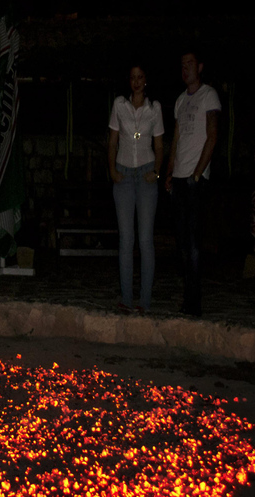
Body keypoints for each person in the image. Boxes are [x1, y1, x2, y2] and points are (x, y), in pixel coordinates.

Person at [165, 49, 221, 317]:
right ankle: (187, 297)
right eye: (182, 64)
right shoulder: (179, 101)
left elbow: (212, 135)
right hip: (178, 178)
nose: (185, 68)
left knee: (195, 243)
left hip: (195, 179)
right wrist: (169, 173)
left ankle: (194, 302)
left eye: (189, 64)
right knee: (182, 243)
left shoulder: (208, 95)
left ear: (200, 66)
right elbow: (175, 140)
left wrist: (197, 174)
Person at [107, 63, 164, 313]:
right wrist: (112, 170)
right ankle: (127, 298)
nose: (137, 81)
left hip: (146, 174)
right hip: (123, 175)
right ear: (129, 81)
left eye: (141, 77)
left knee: (145, 239)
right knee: (126, 239)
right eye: (133, 77)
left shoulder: (155, 109)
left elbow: (160, 145)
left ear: (146, 80)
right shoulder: (119, 105)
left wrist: (157, 172)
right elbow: (112, 141)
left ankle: (145, 301)